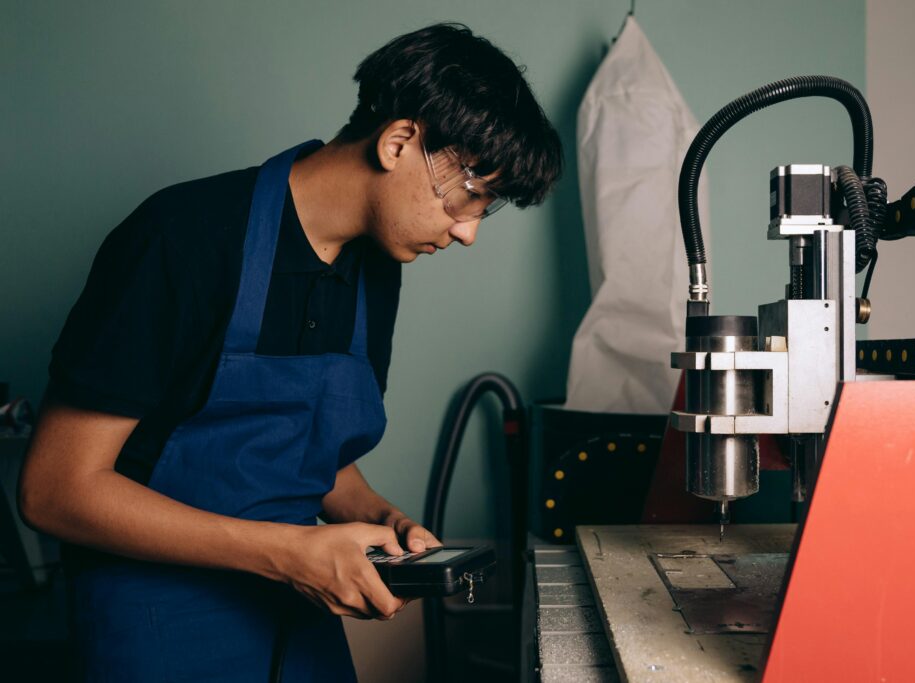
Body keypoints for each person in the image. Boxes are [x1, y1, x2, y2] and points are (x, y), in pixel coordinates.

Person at [18, 22, 562, 682]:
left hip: (296, 622)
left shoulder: (375, 272)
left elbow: (307, 455)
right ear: (398, 142)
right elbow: (55, 490)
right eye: (471, 194)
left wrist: (380, 520)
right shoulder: (183, 239)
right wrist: (289, 551)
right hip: (155, 625)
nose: (469, 230)